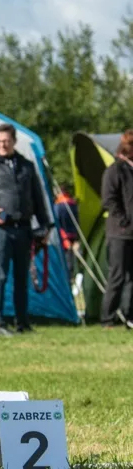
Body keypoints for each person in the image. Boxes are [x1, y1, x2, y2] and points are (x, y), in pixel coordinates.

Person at [0, 123, 54, 337]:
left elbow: (38, 199)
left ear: (14, 141)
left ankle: (22, 322)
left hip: (24, 229)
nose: (2, 145)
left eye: (5, 141)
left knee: (21, 278)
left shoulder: (27, 166)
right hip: (0, 231)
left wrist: (45, 226)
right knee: (0, 276)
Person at [100, 130, 133, 329]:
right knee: (118, 276)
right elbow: (109, 200)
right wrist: (124, 221)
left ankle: (129, 316)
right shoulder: (114, 170)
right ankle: (107, 318)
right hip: (119, 232)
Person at [53, 189, 80, 277]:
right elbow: (77, 222)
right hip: (73, 236)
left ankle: (66, 278)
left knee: (63, 261)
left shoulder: (58, 206)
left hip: (62, 237)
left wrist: (64, 238)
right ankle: (71, 277)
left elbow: (56, 223)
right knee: (70, 260)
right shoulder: (73, 205)